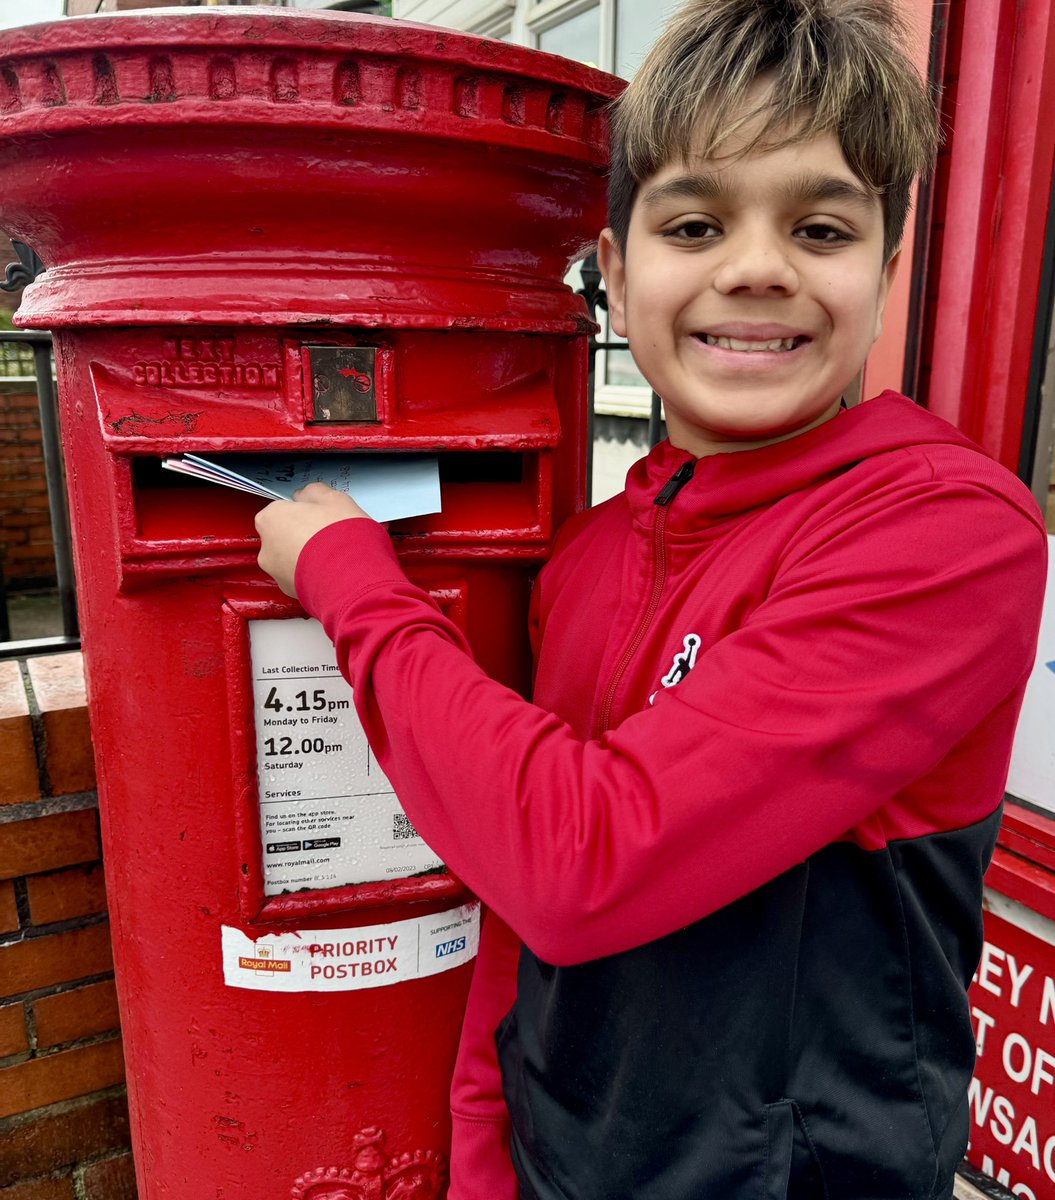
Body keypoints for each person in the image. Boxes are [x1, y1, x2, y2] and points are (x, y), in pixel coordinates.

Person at [255, 1, 1049, 1196]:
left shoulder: (943, 534)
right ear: (617, 280)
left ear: (883, 274)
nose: (755, 266)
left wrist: (352, 582)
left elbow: (579, 867)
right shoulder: (587, 551)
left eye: (820, 226)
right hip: (561, 1156)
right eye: (693, 221)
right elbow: (513, 917)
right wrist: (483, 1157)